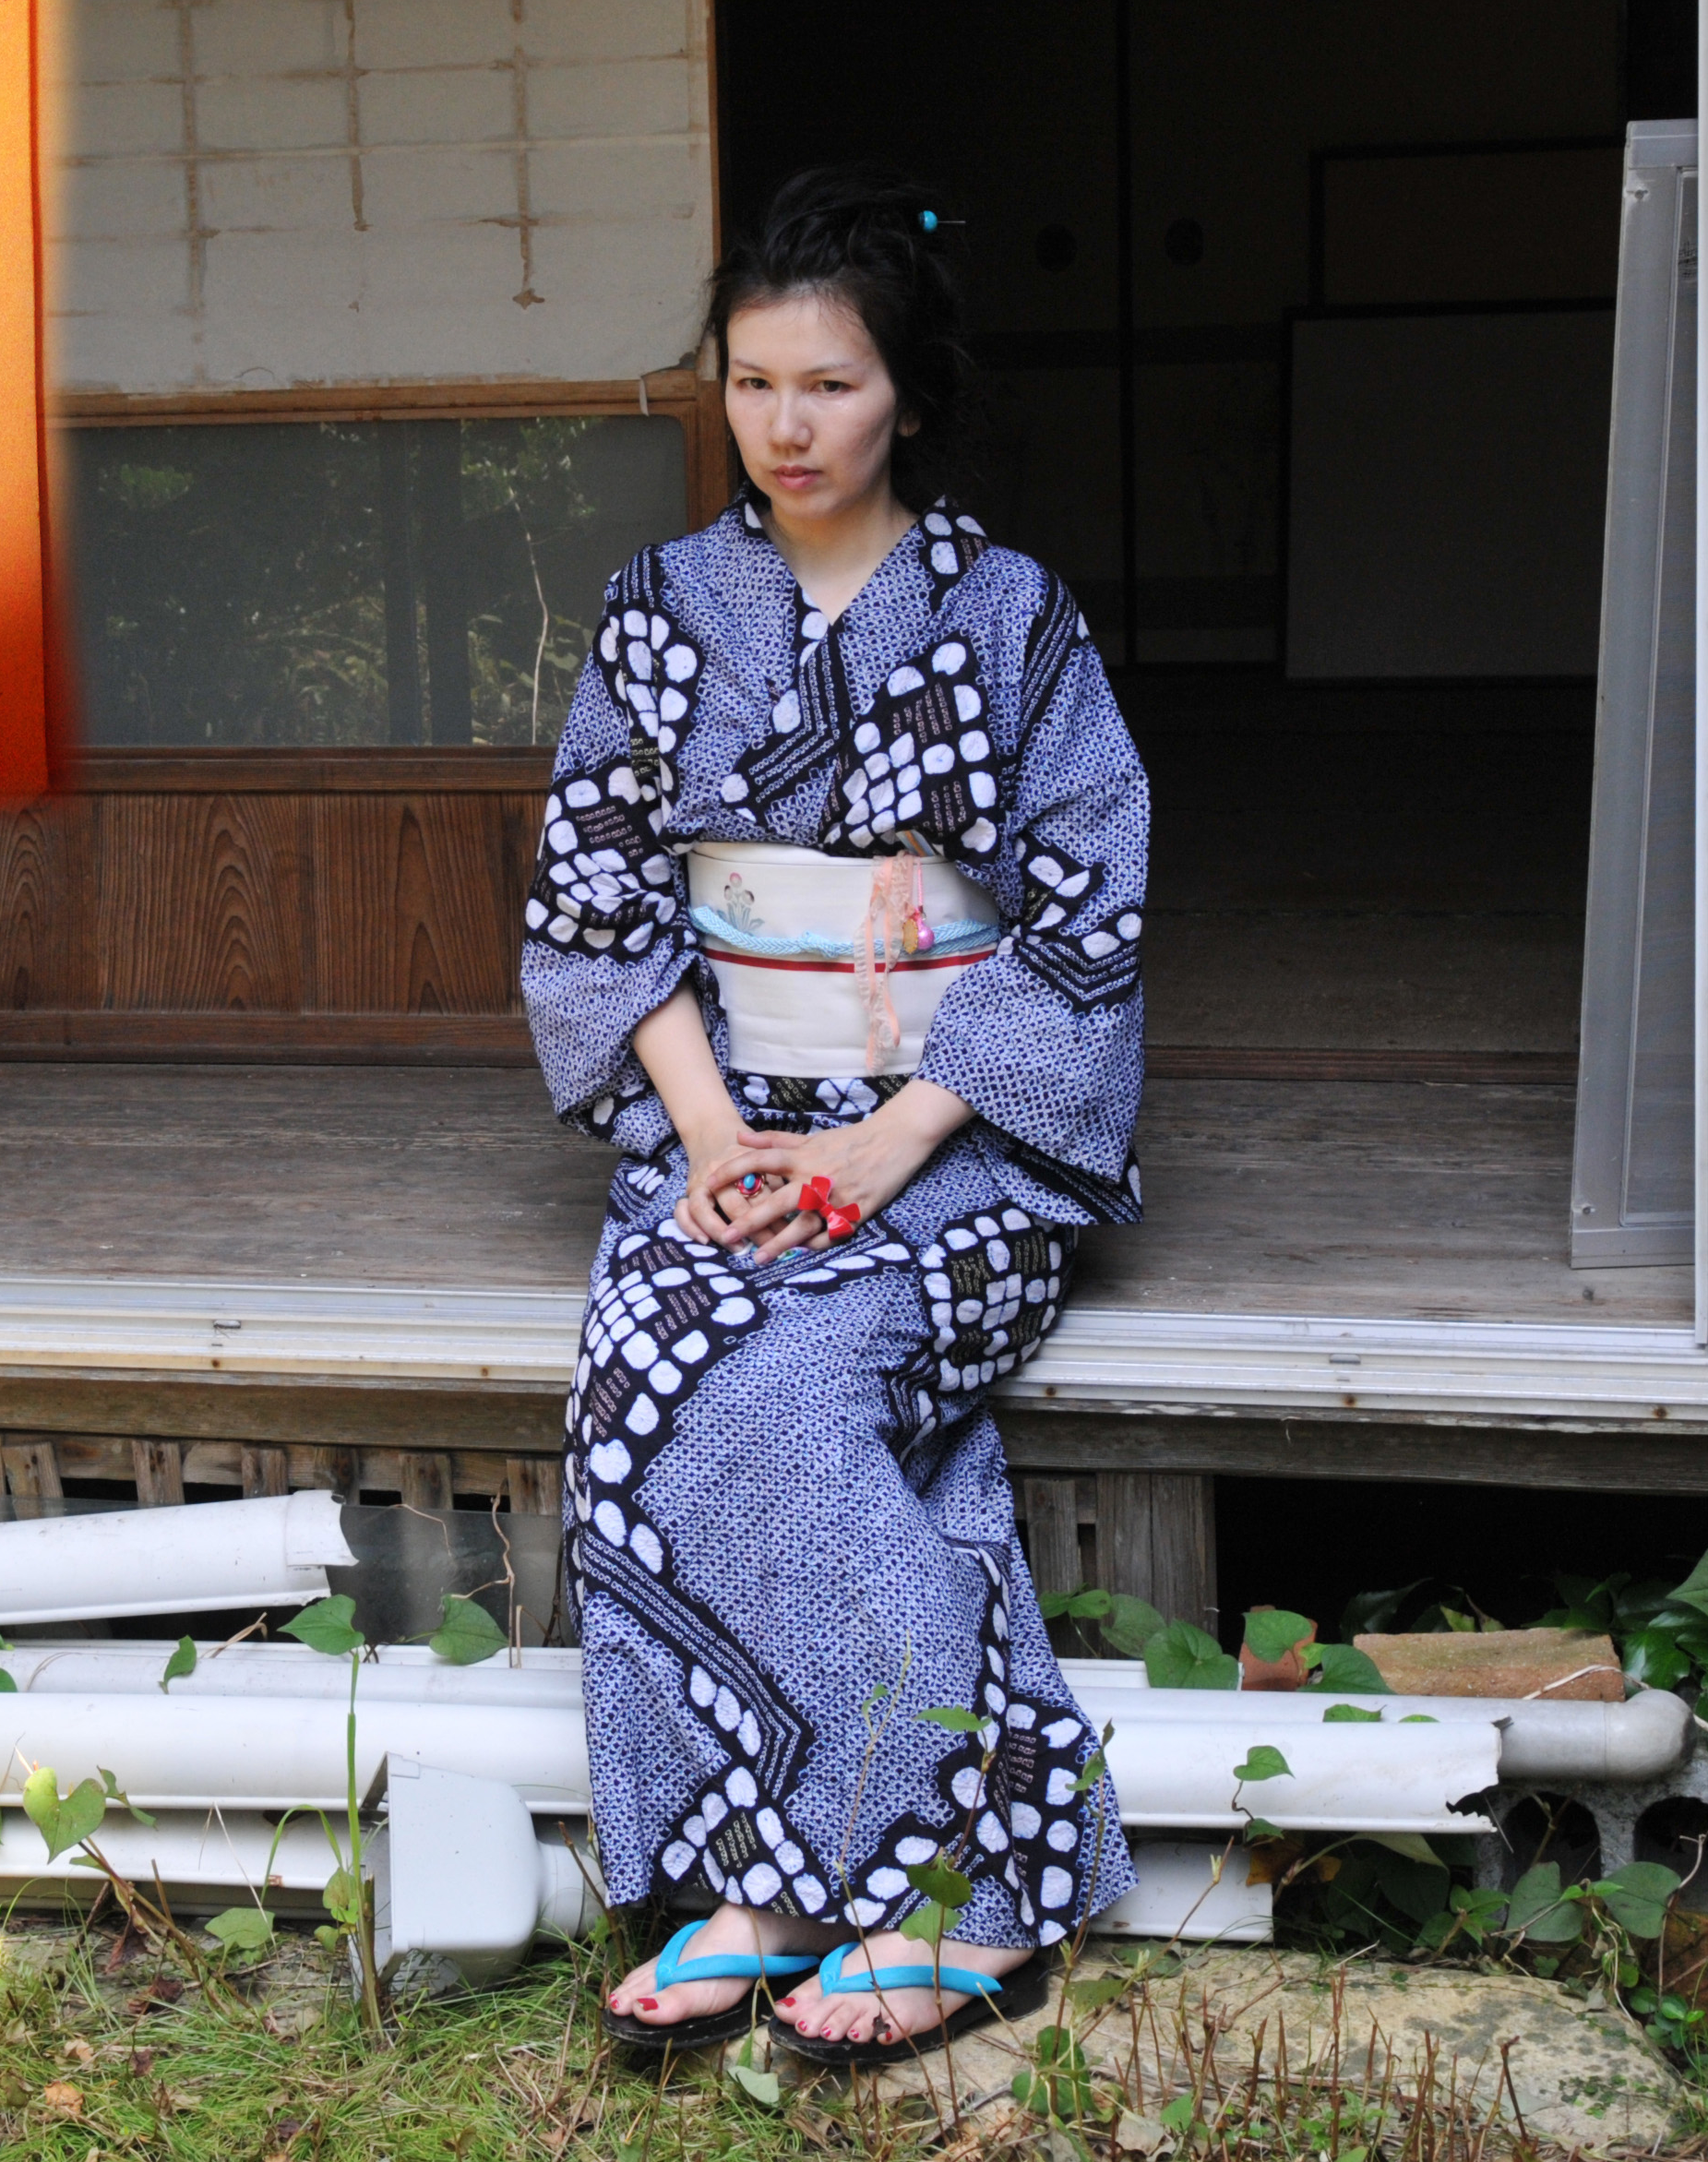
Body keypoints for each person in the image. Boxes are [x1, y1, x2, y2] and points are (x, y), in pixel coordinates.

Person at [520, 167, 1154, 2068]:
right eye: (749, 382)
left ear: (906, 393)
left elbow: (1084, 913)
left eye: (830, 386)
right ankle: (790, 1869)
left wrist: (883, 1149)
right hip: (723, 1127)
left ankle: (931, 1874)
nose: (786, 427)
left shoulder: (1014, 619)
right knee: (634, 1380)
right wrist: (713, 1140)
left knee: (790, 1395)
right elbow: (592, 898)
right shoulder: (659, 614)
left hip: (956, 1139)